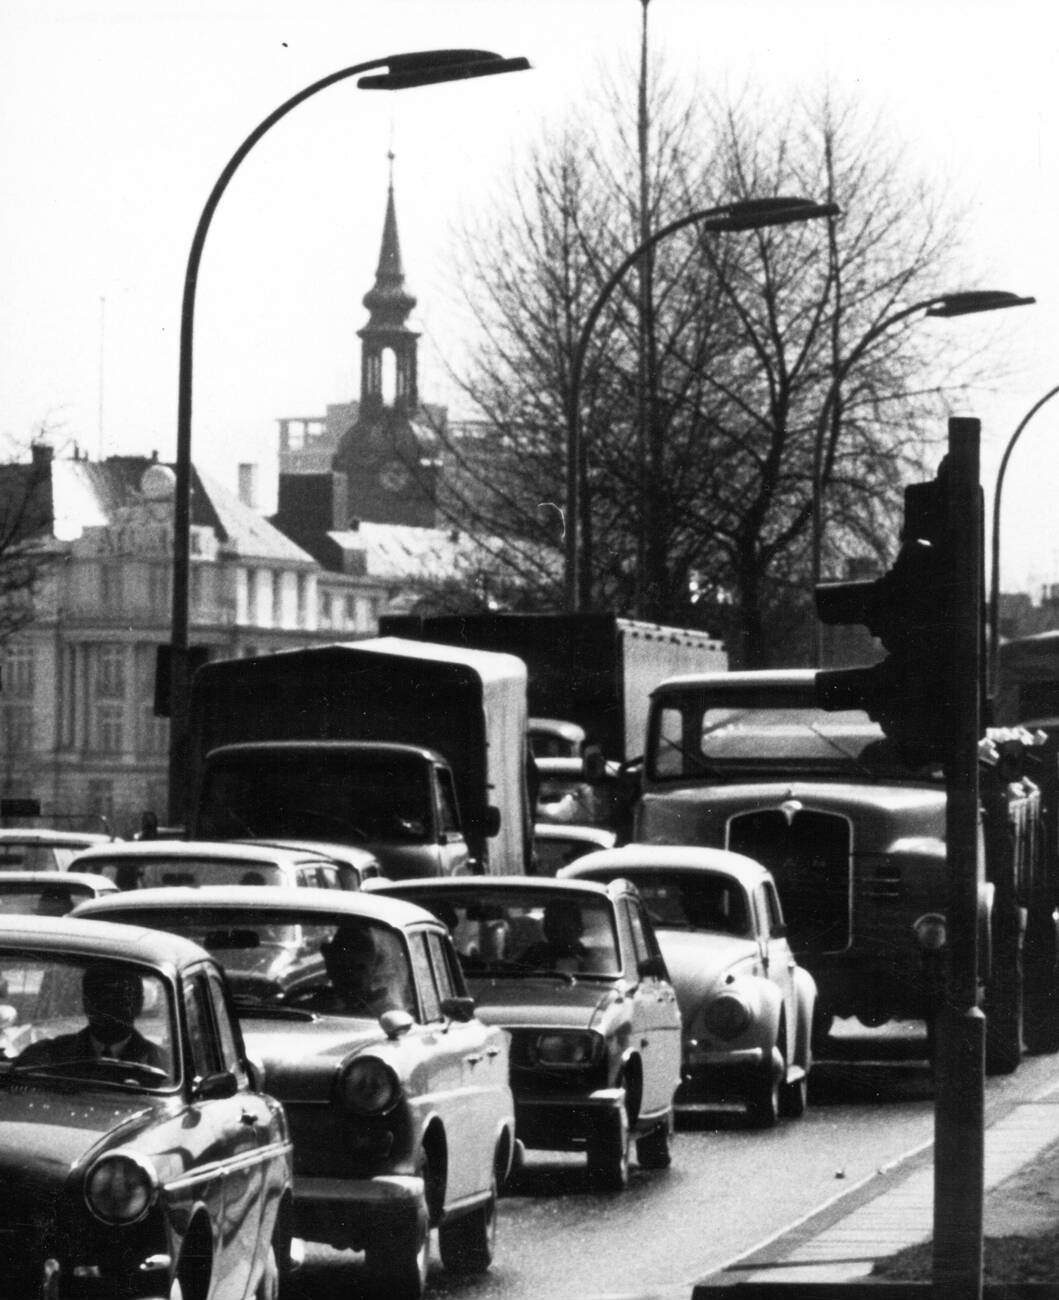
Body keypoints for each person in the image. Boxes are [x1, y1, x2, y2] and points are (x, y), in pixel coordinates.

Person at [19, 962, 168, 1072]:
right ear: (86, 1002)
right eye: (100, 997)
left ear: (139, 1004)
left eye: (120, 998)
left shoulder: (162, 1065)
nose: (110, 1007)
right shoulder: (48, 1055)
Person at [309, 925, 407, 1018]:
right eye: (342, 967)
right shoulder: (318, 1005)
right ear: (331, 968)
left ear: (373, 970)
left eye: (359, 968)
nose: (350, 975)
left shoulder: (386, 1012)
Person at [517, 898, 590, 973]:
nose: (557, 932)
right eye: (551, 925)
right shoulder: (535, 953)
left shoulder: (591, 959)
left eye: (564, 928)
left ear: (578, 928)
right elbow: (512, 975)